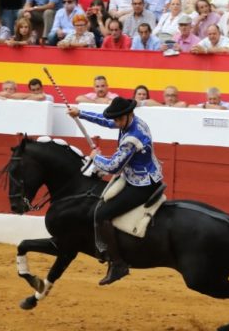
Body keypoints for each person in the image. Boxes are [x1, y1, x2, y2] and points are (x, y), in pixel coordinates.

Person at [68, 96, 163, 286]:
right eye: (117, 119)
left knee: (102, 214)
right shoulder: (133, 121)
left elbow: (112, 167)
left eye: (119, 119)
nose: (116, 122)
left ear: (128, 115)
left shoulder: (132, 137)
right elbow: (108, 121)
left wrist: (96, 157)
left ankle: (118, 264)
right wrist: (81, 114)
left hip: (141, 184)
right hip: (141, 175)